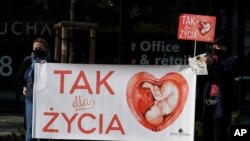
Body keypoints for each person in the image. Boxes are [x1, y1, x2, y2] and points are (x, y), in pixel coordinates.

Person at [195, 35, 238, 141]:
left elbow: (224, 75)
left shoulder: (230, 60)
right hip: (207, 100)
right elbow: (195, 76)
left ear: (226, 48)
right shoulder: (206, 57)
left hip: (221, 102)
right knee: (207, 131)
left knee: (219, 133)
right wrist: (198, 62)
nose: (216, 48)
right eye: (214, 45)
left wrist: (214, 62)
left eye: (219, 46)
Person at [17, 37, 57, 141]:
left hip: (47, 100)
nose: (37, 50)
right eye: (35, 48)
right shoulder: (27, 61)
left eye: (40, 48)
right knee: (30, 128)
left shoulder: (53, 62)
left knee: (44, 128)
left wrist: (48, 67)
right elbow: (20, 76)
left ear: (46, 49)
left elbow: (57, 79)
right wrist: (23, 87)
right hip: (31, 98)